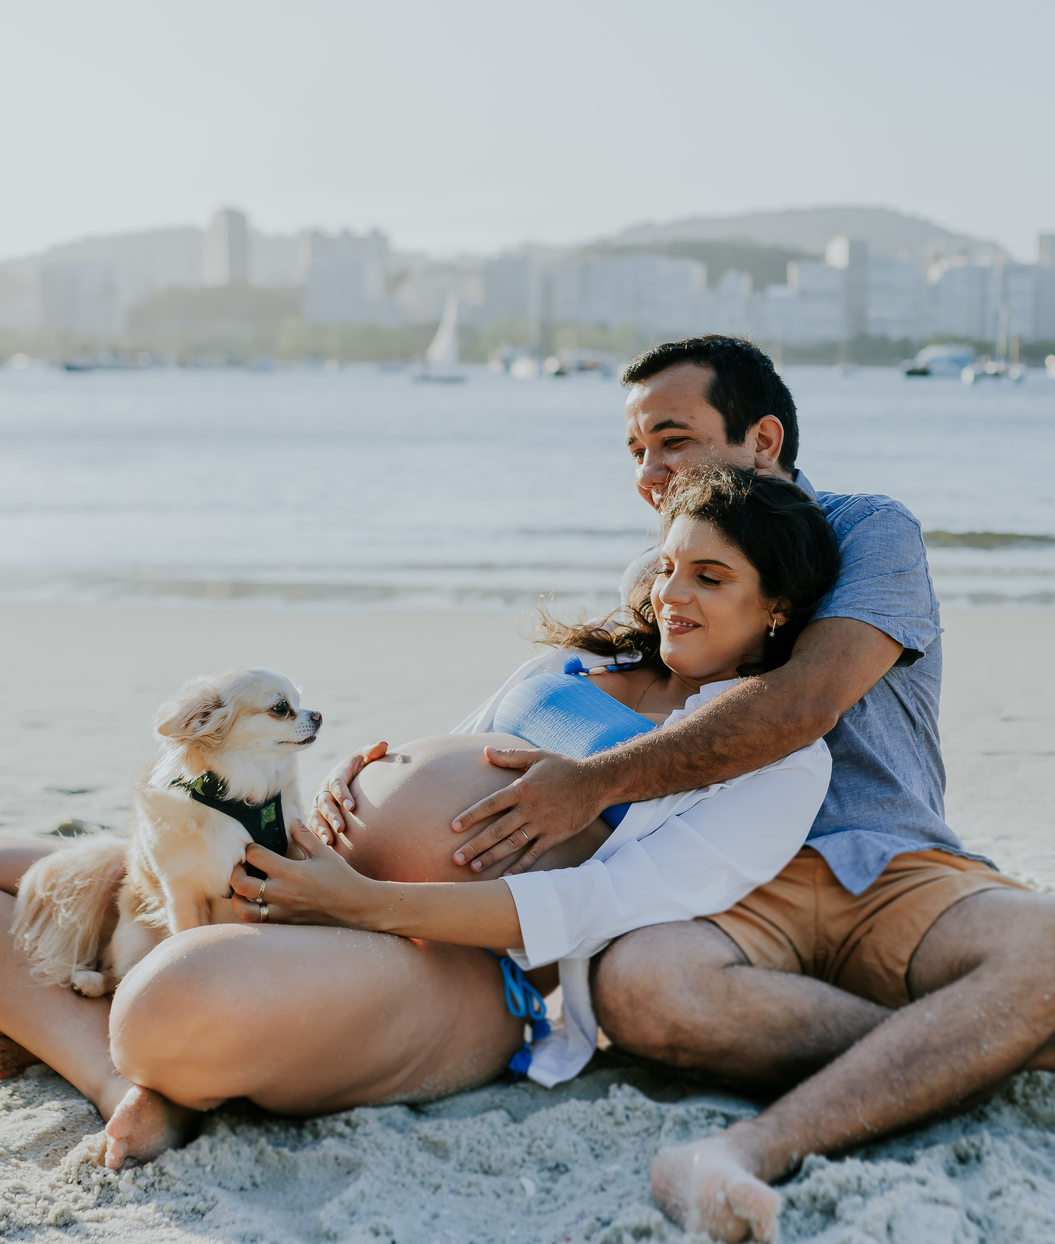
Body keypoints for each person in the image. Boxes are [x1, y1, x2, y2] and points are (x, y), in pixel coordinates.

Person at [319, 335, 1055, 1244]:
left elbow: (800, 703)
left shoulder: (867, 530)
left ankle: (750, 1147)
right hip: (723, 885)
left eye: (674, 440)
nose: (651, 473)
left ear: (763, 441)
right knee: (637, 991)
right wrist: (399, 763)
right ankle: (1022, 1051)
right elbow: (568, 695)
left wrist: (587, 788)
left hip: (881, 859)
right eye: (637, 452)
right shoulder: (659, 574)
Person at [0, 467, 838, 1167]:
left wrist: (354, 903)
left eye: (711, 578)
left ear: (777, 609)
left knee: (162, 1007)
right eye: (668, 567)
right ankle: (133, 1083)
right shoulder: (589, 659)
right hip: (299, 865)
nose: (672, 597)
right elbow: (456, 748)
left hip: (455, 964)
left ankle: (134, 1079)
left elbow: (598, 906)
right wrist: (343, 781)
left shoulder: (778, 758)